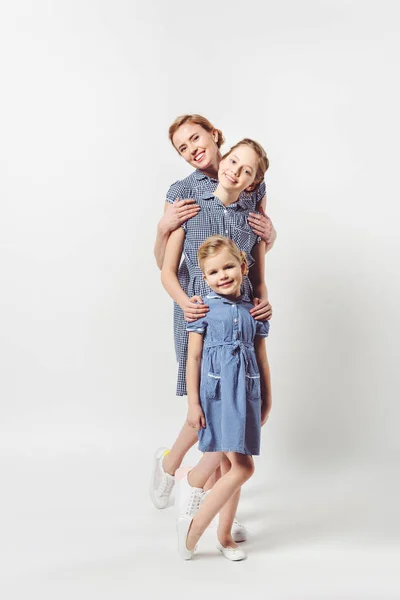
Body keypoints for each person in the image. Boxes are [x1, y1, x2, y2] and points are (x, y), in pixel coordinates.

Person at [152, 137, 271, 542]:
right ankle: (176, 469)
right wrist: (162, 228)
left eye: (196, 139)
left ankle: (215, 502)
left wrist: (264, 296)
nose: (191, 149)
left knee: (230, 404)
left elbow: (256, 257)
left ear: (215, 136)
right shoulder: (185, 195)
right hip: (196, 310)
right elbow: (164, 264)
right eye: (182, 146)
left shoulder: (248, 192)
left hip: (238, 313)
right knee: (202, 398)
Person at [175, 235, 271, 561]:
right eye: (214, 272)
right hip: (217, 396)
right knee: (243, 468)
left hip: (246, 394)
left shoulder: (253, 311)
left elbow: (261, 357)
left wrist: (266, 400)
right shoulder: (202, 309)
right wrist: (193, 403)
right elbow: (194, 359)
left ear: (243, 267)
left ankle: (224, 535)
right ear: (206, 278)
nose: (223, 276)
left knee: (232, 464)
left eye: (228, 266)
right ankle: (192, 529)